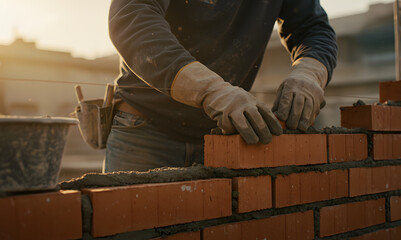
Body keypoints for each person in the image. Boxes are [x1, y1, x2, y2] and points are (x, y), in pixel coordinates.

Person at [104, 0, 337, 172]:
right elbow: (133, 18)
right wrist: (210, 90)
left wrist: (309, 73)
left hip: (223, 136)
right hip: (145, 131)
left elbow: (313, 28)